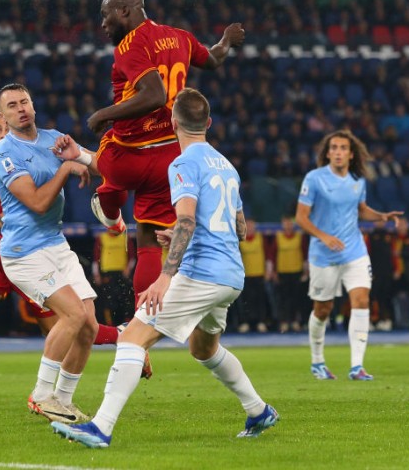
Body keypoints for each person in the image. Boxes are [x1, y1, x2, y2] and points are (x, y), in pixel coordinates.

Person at [51, 88, 278, 448]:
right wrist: (184, 233)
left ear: (172, 123)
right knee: (203, 349)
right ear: (209, 123)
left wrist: (165, 276)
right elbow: (239, 227)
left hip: (202, 272)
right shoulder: (227, 166)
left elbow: (187, 220)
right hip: (231, 274)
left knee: (133, 336)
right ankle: (258, 410)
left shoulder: (182, 164)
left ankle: (101, 428)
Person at [0, 114, 123, 410]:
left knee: (72, 325)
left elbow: (9, 217)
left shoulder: (18, 162)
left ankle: (124, 338)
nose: (3, 133)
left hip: (34, 254)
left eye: (6, 128)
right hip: (12, 256)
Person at [89, 0, 245, 303]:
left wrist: (103, 114)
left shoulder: (130, 45)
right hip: (167, 158)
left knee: (95, 157)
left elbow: (154, 95)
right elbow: (213, 59)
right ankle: (141, 323)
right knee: (147, 240)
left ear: (124, 10)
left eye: (106, 15)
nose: (104, 24)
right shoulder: (181, 37)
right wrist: (227, 40)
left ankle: (109, 206)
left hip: (129, 155)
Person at [0, 83, 101, 423]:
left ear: (33, 106)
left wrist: (80, 157)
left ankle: (62, 401)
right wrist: (67, 168)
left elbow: (100, 166)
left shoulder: (54, 138)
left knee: (90, 328)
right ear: (4, 117)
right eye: (12, 105)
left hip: (55, 245)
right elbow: (38, 204)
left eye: (24, 101)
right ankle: (41, 394)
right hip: (24, 253)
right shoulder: (5, 154)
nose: (20, 108)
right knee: (73, 315)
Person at [295, 129, 403, 381]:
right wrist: (323, 236)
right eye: (333, 148)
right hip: (323, 254)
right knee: (323, 309)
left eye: (343, 148)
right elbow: (301, 217)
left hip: (354, 251)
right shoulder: (314, 179)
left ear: (351, 154)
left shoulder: (358, 180)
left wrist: (381, 217)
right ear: (327, 153)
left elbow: (361, 210)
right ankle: (317, 361)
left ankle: (357, 366)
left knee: (362, 300)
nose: (338, 152)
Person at [91, 230, 135, 326]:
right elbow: (96, 257)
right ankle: (110, 325)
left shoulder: (125, 237)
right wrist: (96, 274)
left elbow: (132, 256)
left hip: (122, 274)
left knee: (124, 300)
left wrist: (128, 269)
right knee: (109, 302)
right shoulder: (101, 237)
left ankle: (125, 324)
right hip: (107, 274)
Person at [273, 215, 309, 333]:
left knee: (296, 299)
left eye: (289, 223)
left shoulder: (300, 237)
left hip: (296, 272)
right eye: (285, 223)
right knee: (283, 300)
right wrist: (274, 272)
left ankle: (295, 321)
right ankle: (283, 322)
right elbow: (272, 256)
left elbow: (305, 255)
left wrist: (306, 271)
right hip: (282, 272)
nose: (288, 225)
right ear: (283, 224)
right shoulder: (278, 237)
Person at [237, 219, 272, 334]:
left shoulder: (261, 238)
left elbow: (268, 256)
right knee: (245, 300)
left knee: (260, 300)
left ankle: (261, 322)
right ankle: (246, 323)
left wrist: (268, 271)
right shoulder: (240, 240)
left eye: (252, 225)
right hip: (245, 275)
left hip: (259, 274)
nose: (250, 228)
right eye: (248, 225)